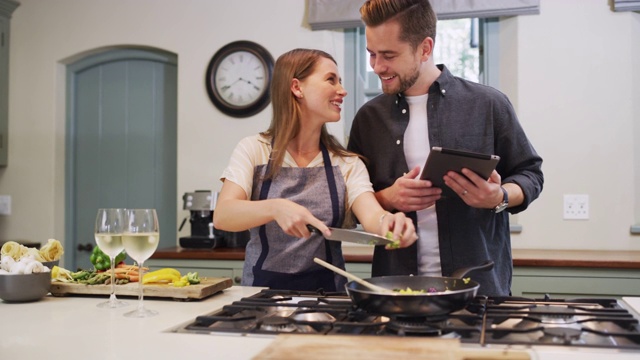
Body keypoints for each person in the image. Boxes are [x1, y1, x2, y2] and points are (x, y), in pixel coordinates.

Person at [348, 0, 544, 296]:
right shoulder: (368, 118)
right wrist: (388, 198)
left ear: (425, 48)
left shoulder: (488, 104)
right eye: (372, 54)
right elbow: (353, 199)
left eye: (388, 55)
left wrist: (499, 196)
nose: (377, 67)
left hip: (479, 291)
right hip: (397, 292)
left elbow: (530, 174)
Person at [213, 48, 418, 292]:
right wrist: (276, 207)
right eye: (331, 80)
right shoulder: (254, 150)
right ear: (297, 88)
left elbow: (372, 215)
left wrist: (391, 222)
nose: (342, 91)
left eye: (340, 81)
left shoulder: (346, 163)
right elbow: (223, 215)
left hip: (327, 297)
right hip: (261, 296)